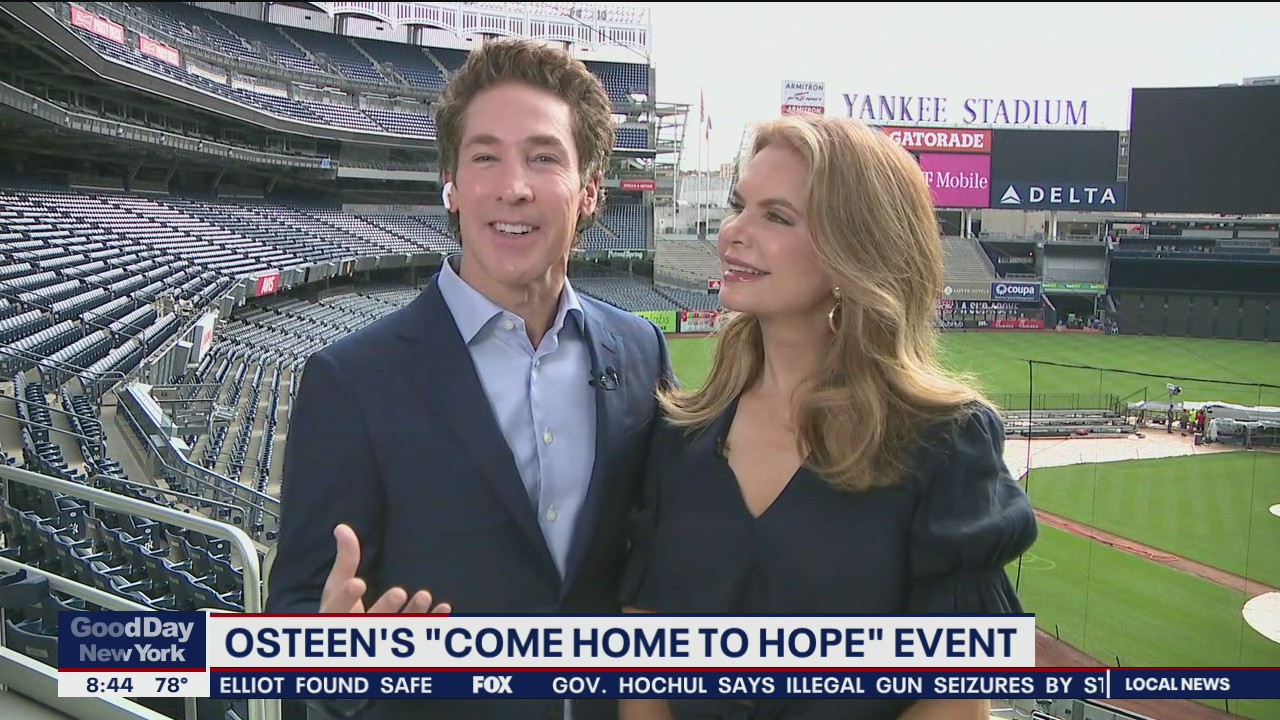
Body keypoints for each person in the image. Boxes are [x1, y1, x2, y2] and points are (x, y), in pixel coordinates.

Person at [267, 38, 675, 720]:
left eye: (543, 157)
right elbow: (300, 611)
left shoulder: (640, 351)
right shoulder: (352, 380)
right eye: (485, 157)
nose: (513, 186)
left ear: (589, 190)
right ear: (451, 185)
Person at [619, 116, 1039, 720]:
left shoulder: (945, 443)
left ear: (854, 251)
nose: (733, 232)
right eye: (740, 206)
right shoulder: (678, 434)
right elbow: (644, 654)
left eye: (777, 216)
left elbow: (953, 698)